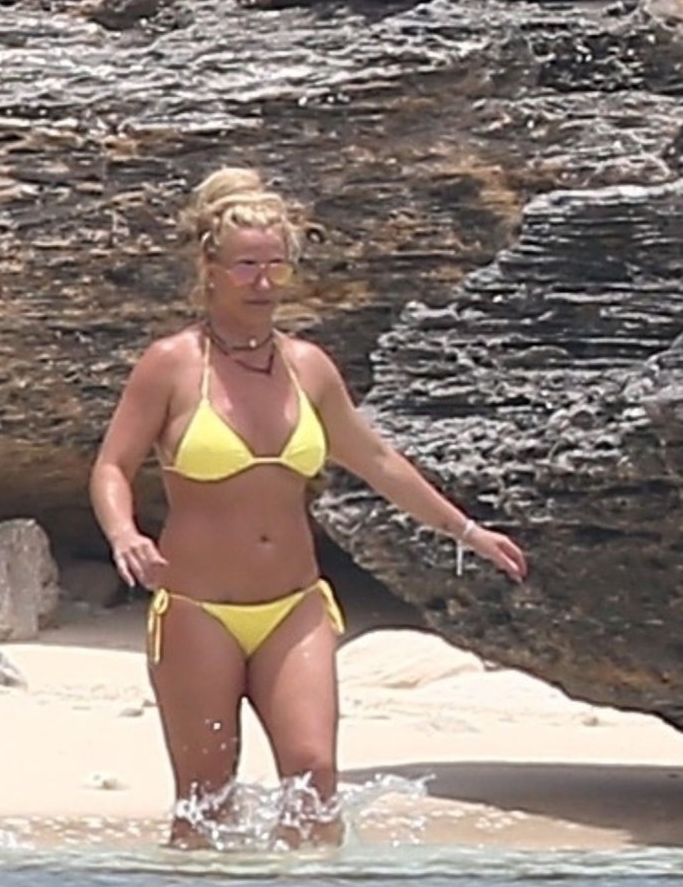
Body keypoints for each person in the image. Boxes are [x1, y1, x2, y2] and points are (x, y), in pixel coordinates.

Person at [89, 166, 528, 848]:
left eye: (276, 265)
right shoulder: (172, 365)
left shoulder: (309, 367)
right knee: (206, 801)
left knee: (314, 780)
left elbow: (378, 461)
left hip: (293, 607)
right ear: (209, 269)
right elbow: (112, 466)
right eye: (246, 266)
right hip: (199, 608)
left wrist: (465, 530)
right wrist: (124, 534)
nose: (263, 282)